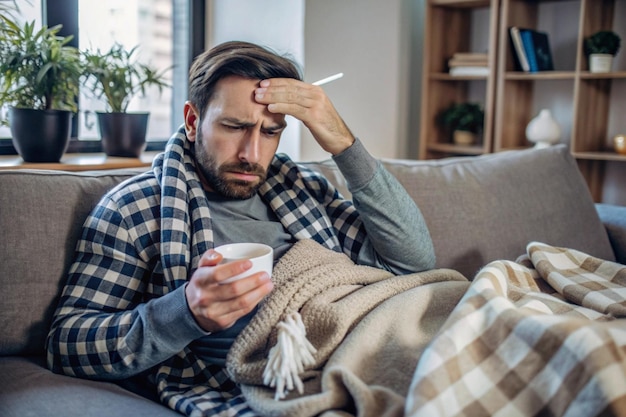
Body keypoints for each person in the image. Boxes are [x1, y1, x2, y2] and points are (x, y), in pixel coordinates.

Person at [46, 40, 435, 416]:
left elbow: (413, 263)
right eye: (234, 127)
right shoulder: (135, 209)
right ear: (193, 121)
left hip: (370, 343)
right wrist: (186, 312)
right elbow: (66, 343)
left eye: (270, 132)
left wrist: (343, 144)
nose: (252, 154)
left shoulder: (302, 188)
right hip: (280, 376)